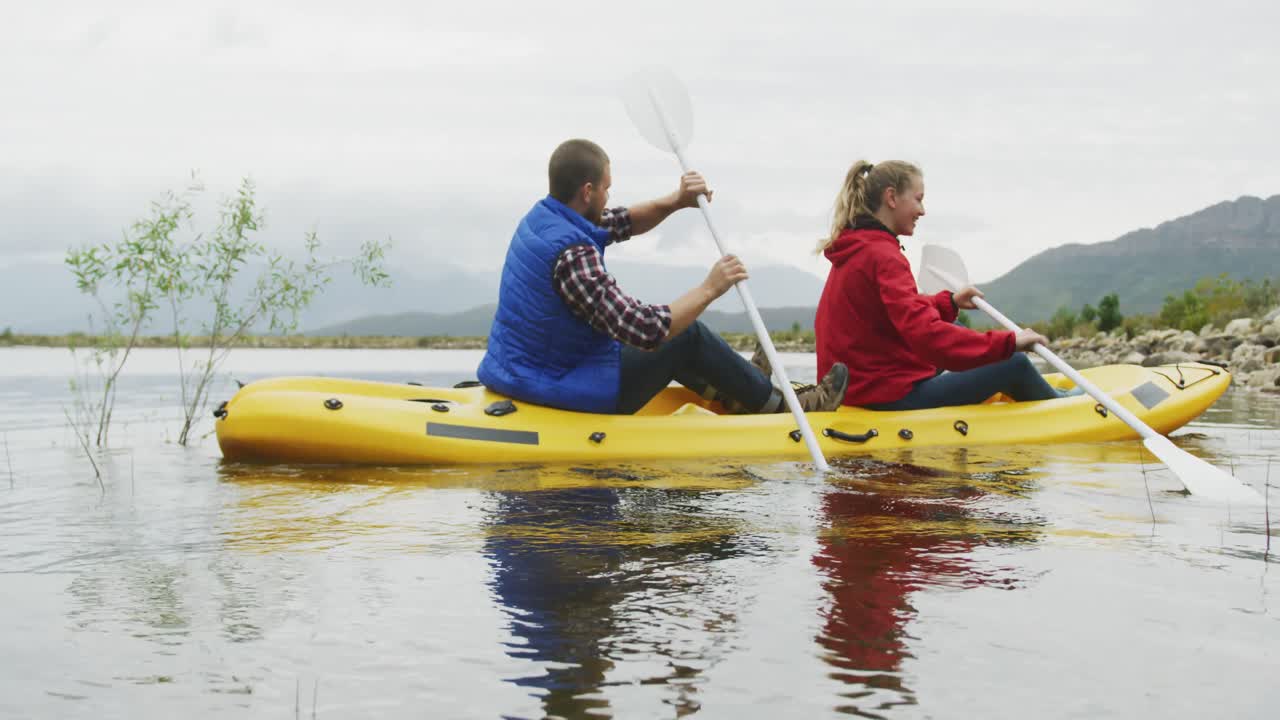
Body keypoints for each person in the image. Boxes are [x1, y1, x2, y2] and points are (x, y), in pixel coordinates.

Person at [478, 139, 848, 415]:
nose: (610, 196)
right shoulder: (573, 254)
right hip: (562, 384)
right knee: (684, 333)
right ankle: (783, 409)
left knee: (677, 334)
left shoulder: (545, 218)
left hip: (528, 369)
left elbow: (621, 221)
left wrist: (677, 201)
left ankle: (736, 389)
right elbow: (646, 329)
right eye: (607, 188)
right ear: (587, 191)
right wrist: (710, 288)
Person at [812, 159, 1075, 411]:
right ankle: (1062, 405)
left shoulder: (858, 247)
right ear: (891, 198)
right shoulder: (885, 256)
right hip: (883, 395)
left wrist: (946, 303)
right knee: (1013, 363)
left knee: (953, 326)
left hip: (858, 388)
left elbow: (888, 312)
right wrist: (1009, 343)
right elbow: (927, 337)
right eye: (918, 199)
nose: (922, 210)